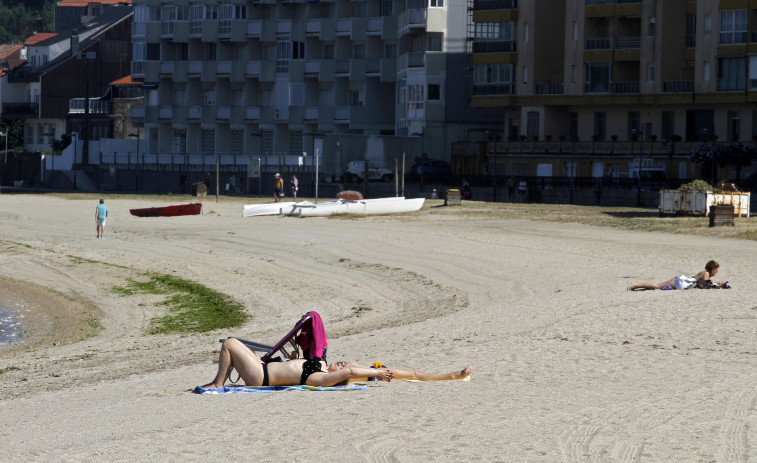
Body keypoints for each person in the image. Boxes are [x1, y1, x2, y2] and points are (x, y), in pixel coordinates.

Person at [198, 337, 471, 390]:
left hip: (260, 376)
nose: (340, 363)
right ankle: (448, 375)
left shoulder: (320, 379)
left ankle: (217, 383)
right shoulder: (323, 368)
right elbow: (352, 368)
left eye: (341, 367)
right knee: (231, 344)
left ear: (339, 377)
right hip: (261, 367)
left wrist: (376, 371)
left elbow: (352, 371)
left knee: (229, 343)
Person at [627, 260, 726, 291]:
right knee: (657, 285)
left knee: (657, 286)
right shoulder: (706, 273)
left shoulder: (705, 273)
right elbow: (704, 285)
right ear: (712, 269)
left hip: (681, 280)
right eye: (716, 271)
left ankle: (636, 285)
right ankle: (634, 284)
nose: (716, 273)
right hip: (681, 282)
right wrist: (718, 284)